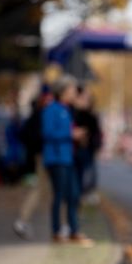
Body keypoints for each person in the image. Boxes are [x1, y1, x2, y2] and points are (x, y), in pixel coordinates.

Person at [42, 75, 92, 244]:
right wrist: (70, 135)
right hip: (56, 158)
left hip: (67, 158)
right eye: (71, 90)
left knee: (74, 194)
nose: (74, 93)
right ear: (62, 92)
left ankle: (74, 231)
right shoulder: (51, 109)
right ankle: (56, 231)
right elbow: (48, 133)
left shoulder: (67, 109)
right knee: (59, 195)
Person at [13, 85, 53, 240]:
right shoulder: (41, 115)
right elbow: (27, 135)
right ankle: (23, 220)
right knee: (42, 189)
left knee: (44, 189)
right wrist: (39, 147)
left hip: (41, 154)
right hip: (44, 155)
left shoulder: (38, 113)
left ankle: (24, 220)